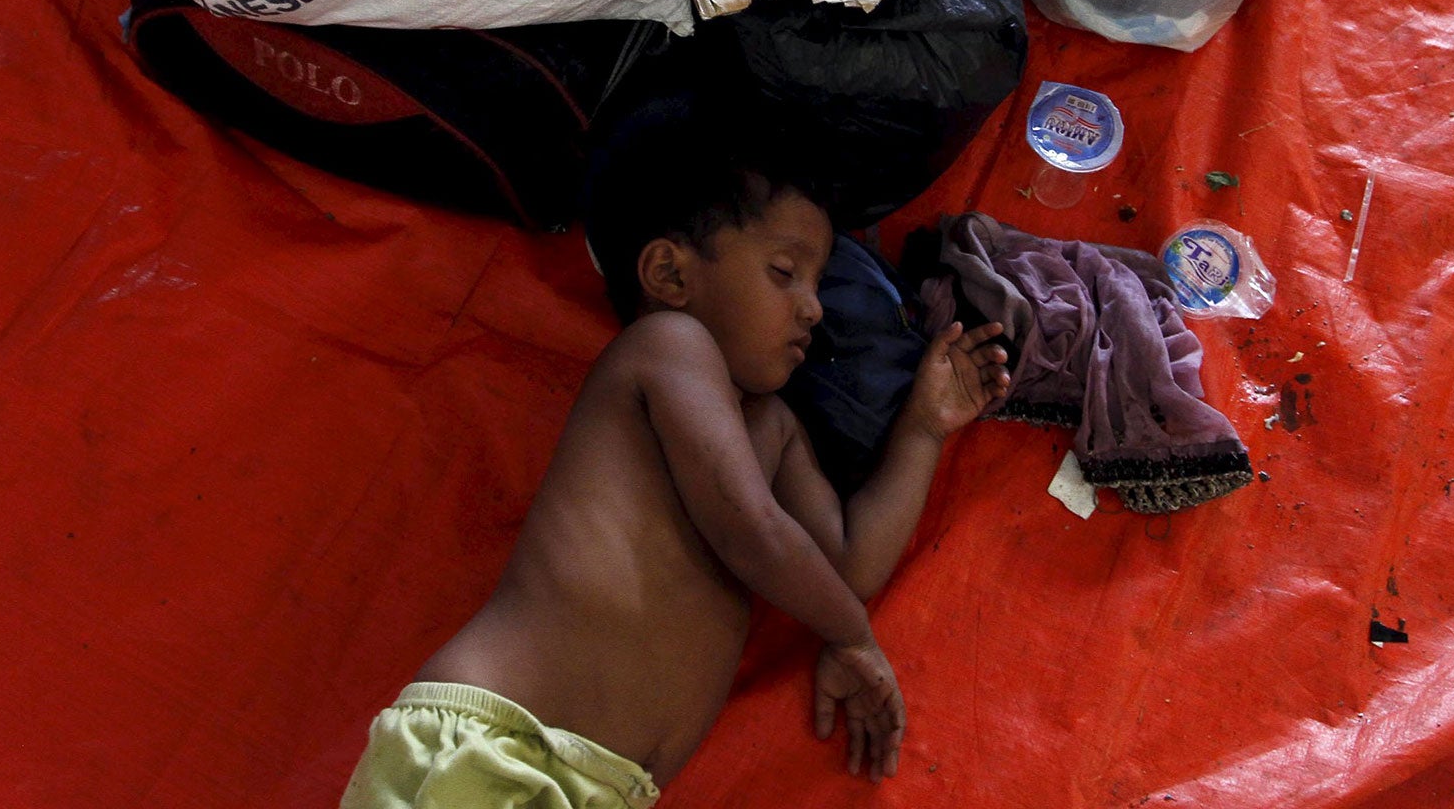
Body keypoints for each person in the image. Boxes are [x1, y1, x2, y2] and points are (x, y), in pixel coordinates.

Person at [339, 106, 1010, 808]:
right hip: (494, 743)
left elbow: (847, 563)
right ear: (669, 273)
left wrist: (923, 429)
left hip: (609, 788)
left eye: (818, 285)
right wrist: (849, 638)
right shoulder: (667, 348)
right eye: (785, 273)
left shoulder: (775, 427)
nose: (813, 308)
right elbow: (747, 528)